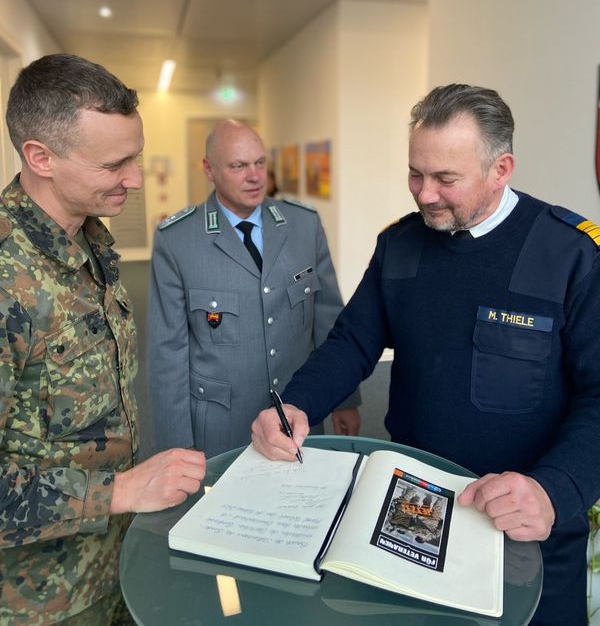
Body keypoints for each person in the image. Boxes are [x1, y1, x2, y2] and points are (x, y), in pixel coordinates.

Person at [251, 84, 600, 625]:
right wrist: (297, 403)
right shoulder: (401, 244)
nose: (425, 194)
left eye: (446, 179)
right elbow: (354, 340)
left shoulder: (572, 255)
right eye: (416, 173)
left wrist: (557, 490)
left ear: (501, 168)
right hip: (414, 507)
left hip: (526, 522)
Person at [0, 54, 205, 625]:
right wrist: (119, 492)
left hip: (110, 562)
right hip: (38, 599)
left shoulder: (90, 241)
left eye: (135, 157)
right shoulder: (5, 280)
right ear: (40, 157)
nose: (136, 180)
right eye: (115, 164)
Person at [148, 120, 360, 458]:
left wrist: (344, 400)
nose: (255, 176)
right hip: (221, 426)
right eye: (238, 166)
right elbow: (168, 352)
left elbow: (329, 320)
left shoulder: (303, 225)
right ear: (209, 169)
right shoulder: (178, 241)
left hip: (298, 414)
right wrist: (177, 445)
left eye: (260, 163)